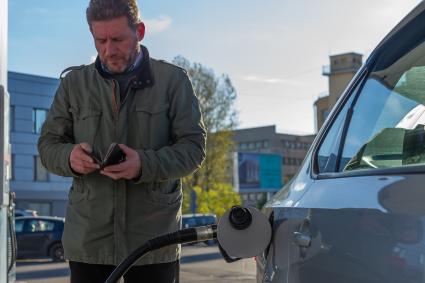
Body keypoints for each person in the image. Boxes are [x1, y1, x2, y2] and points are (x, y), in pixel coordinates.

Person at [37, 0, 206, 282]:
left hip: (154, 241)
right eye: (100, 40)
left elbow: (194, 149)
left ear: (139, 31)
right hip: (89, 241)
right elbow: (47, 146)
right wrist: (70, 157)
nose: (108, 50)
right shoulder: (73, 85)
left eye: (118, 39)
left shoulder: (174, 81)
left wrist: (144, 164)